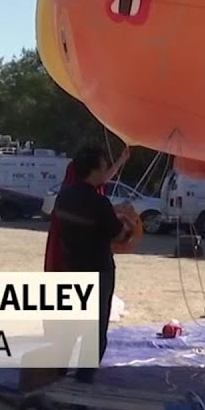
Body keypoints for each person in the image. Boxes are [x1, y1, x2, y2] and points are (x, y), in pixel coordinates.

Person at [52, 146, 135, 383]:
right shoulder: (99, 203)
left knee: (69, 324)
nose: (105, 171)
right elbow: (120, 236)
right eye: (103, 166)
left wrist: (120, 161)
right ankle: (83, 379)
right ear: (94, 170)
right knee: (95, 328)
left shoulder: (64, 196)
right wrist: (127, 225)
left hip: (71, 267)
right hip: (97, 270)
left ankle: (58, 374)